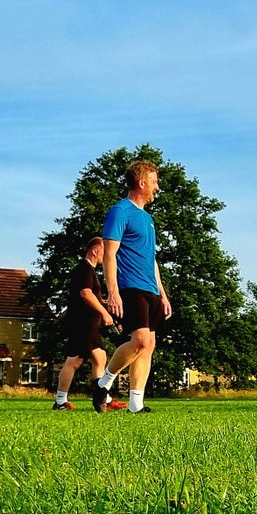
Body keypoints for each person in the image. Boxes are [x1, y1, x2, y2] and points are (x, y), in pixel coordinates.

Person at [92, 159, 173, 414]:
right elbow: (109, 254)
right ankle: (103, 383)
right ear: (141, 183)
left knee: (148, 345)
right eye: (154, 181)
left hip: (151, 289)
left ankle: (136, 404)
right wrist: (113, 291)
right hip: (130, 286)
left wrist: (163, 294)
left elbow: (151, 258)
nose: (157, 187)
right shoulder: (120, 211)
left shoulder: (147, 218)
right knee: (139, 340)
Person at [53, 236, 126, 412]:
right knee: (79, 360)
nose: (106, 255)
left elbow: (90, 295)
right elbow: (85, 294)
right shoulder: (84, 269)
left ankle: (98, 398)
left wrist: (105, 303)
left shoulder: (88, 270)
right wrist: (104, 313)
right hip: (83, 322)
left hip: (85, 323)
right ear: (94, 251)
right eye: (103, 251)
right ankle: (73, 400)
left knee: (93, 358)